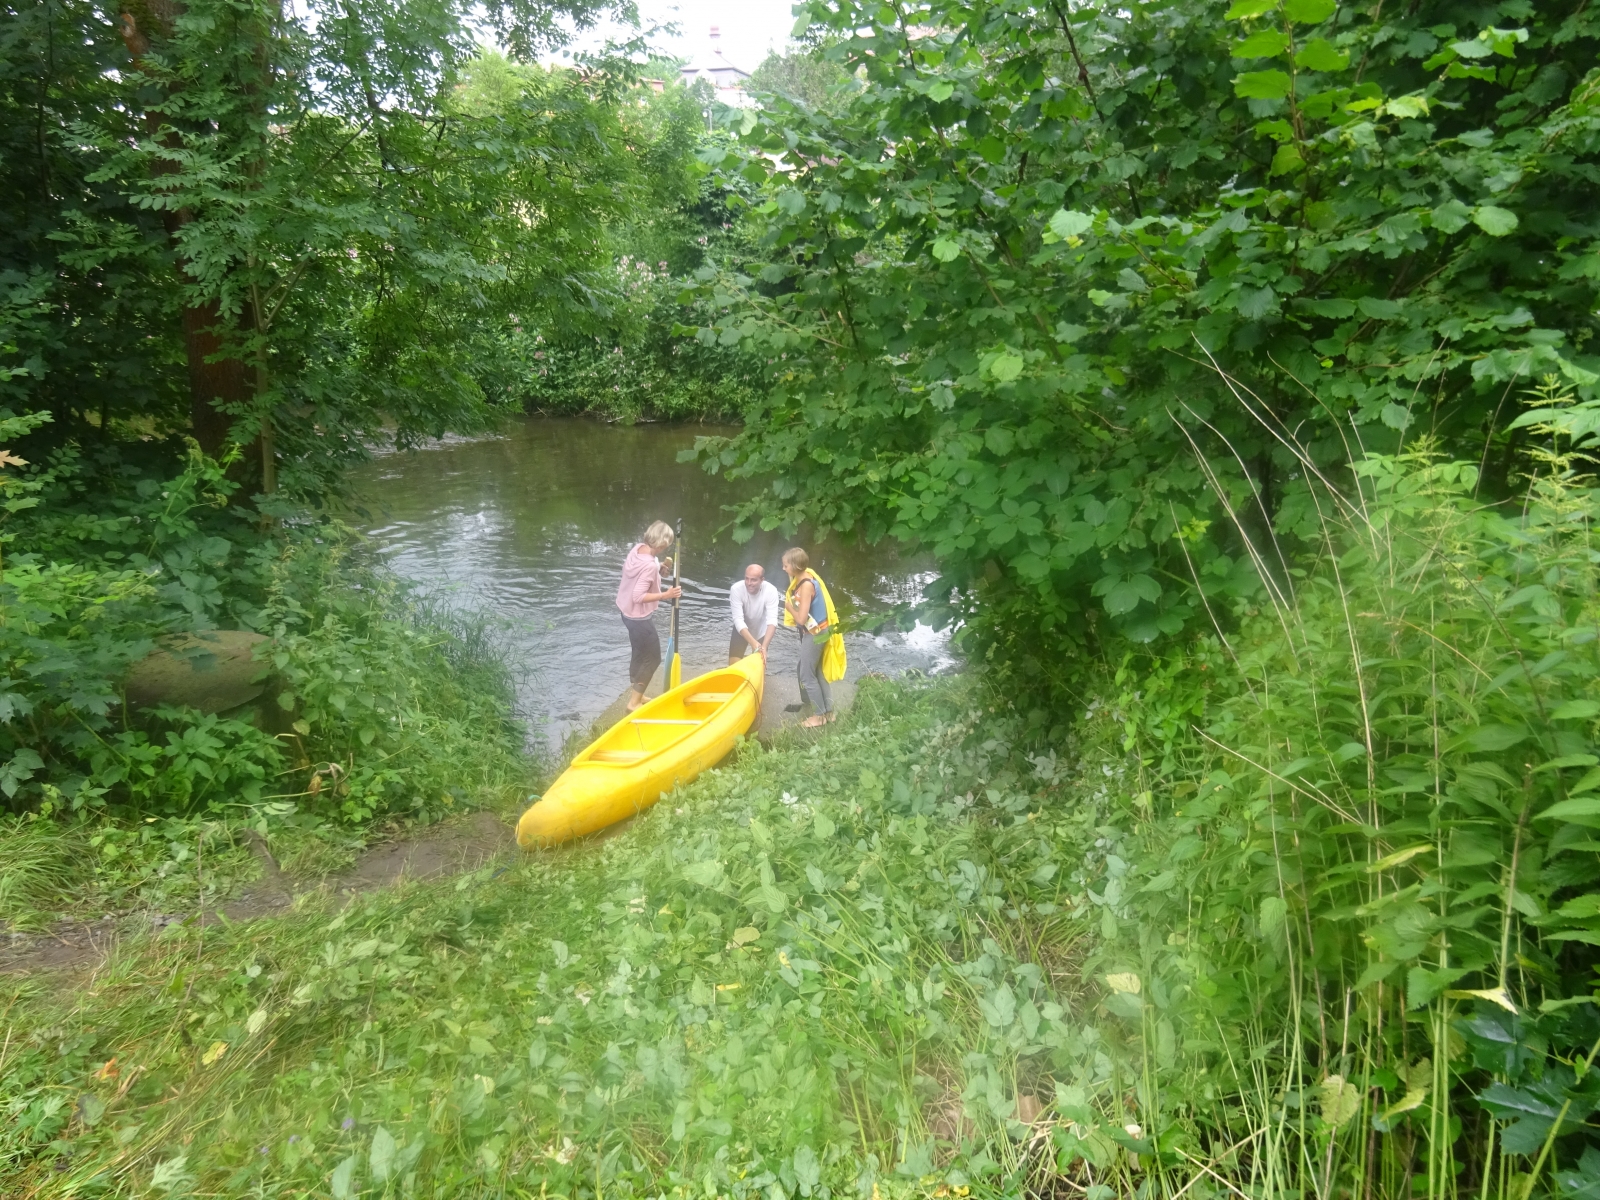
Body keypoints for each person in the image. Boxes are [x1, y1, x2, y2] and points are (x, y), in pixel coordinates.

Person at [615, 521, 681, 711]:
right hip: (638, 619)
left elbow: (643, 569)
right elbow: (638, 596)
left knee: (639, 652)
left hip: (626, 613)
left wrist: (659, 567)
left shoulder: (638, 549)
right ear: (662, 544)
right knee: (652, 658)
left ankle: (638, 693)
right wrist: (666, 595)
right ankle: (633, 703)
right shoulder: (649, 566)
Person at [781, 547, 835, 727]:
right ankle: (829, 713)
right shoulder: (807, 576)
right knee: (818, 672)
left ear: (795, 566)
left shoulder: (806, 586)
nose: (783, 568)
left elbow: (801, 619)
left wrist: (789, 607)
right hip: (821, 631)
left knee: (806, 675)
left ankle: (818, 717)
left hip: (814, 634)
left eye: (786, 565)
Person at [728, 563, 780, 665]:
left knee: (759, 663)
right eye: (746, 579)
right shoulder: (736, 589)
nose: (749, 583)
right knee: (733, 665)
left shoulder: (771, 591)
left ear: (762, 580)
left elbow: (772, 622)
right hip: (742, 630)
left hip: (761, 630)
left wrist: (764, 647)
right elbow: (738, 620)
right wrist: (753, 643)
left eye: (753, 580)